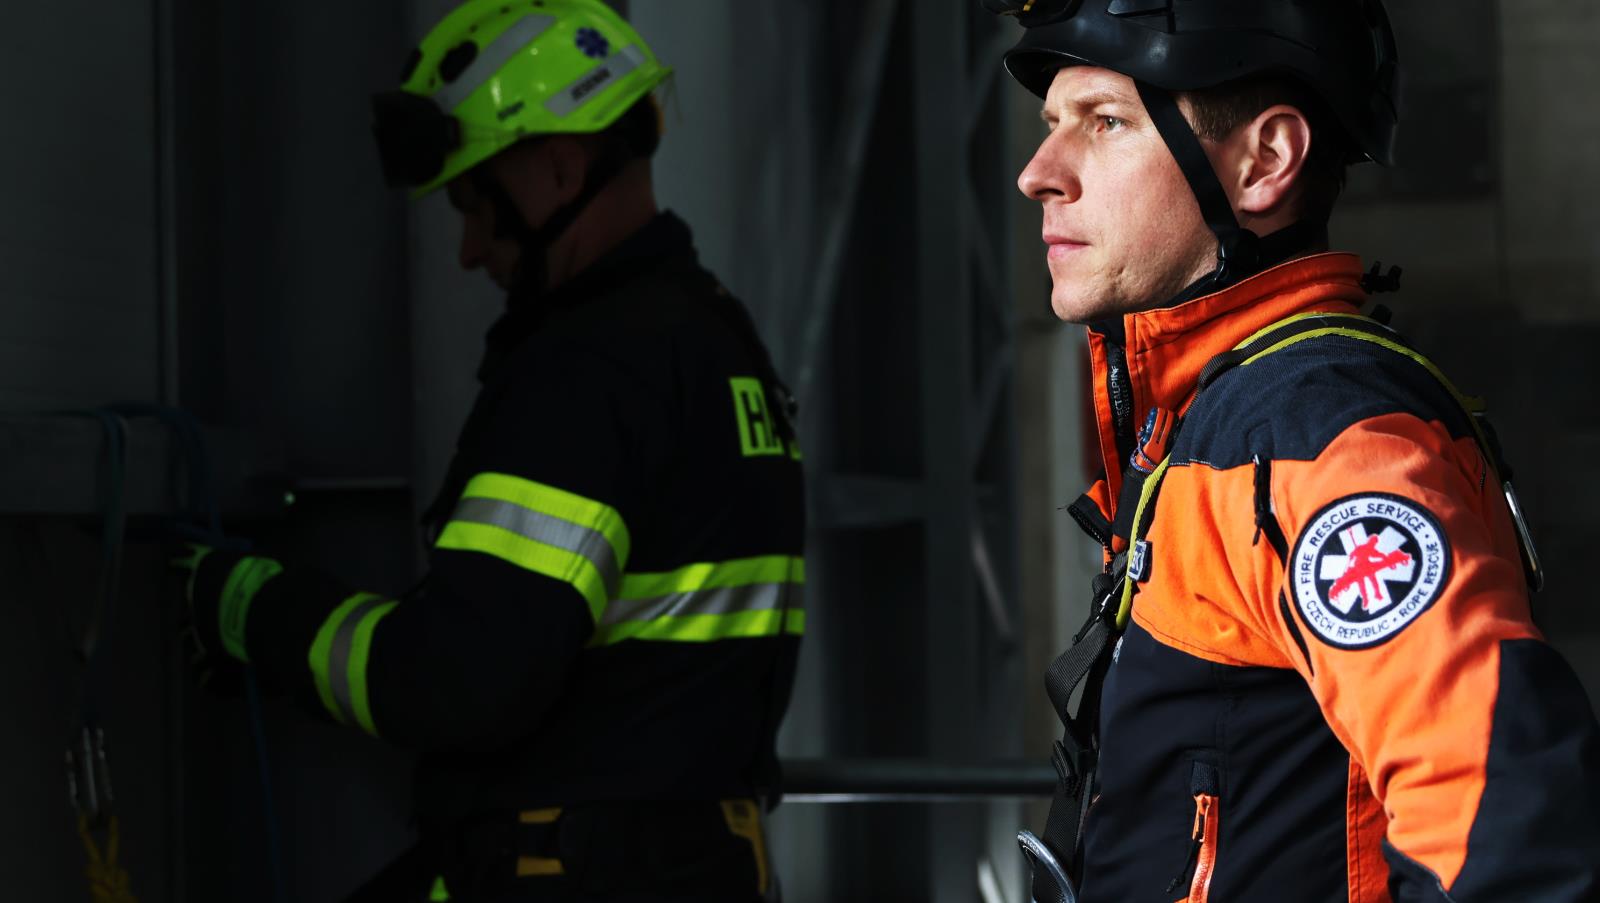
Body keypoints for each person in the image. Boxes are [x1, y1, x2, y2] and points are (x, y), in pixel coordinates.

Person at [178, 2, 805, 900]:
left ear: (560, 166)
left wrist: (248, 607)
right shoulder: (715, 340)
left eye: (479, 206)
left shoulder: (593, 369)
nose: (471, 251)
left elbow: (456, 680)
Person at [983, 1, 1600, 901]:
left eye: (1105, 121)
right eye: (1051, 125)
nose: (1039, 174)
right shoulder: (1212, 418)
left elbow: (1507, 828)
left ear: (1265, 161)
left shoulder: (1318, 438)